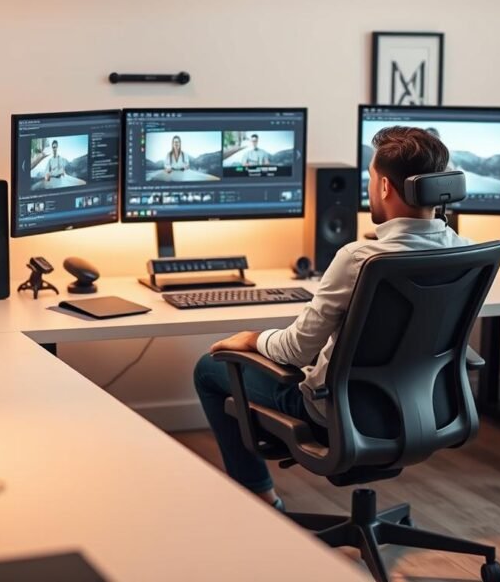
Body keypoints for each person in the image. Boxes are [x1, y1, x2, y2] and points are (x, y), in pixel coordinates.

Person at [194, 126, 472, 510]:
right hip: (427, 410)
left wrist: (252, 339)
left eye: (371, 178)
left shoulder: (359, 258)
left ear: (385, 187)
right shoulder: (467, 253)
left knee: (209, 368)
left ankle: (261, 499)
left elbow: (295, 350)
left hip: (336, 415)